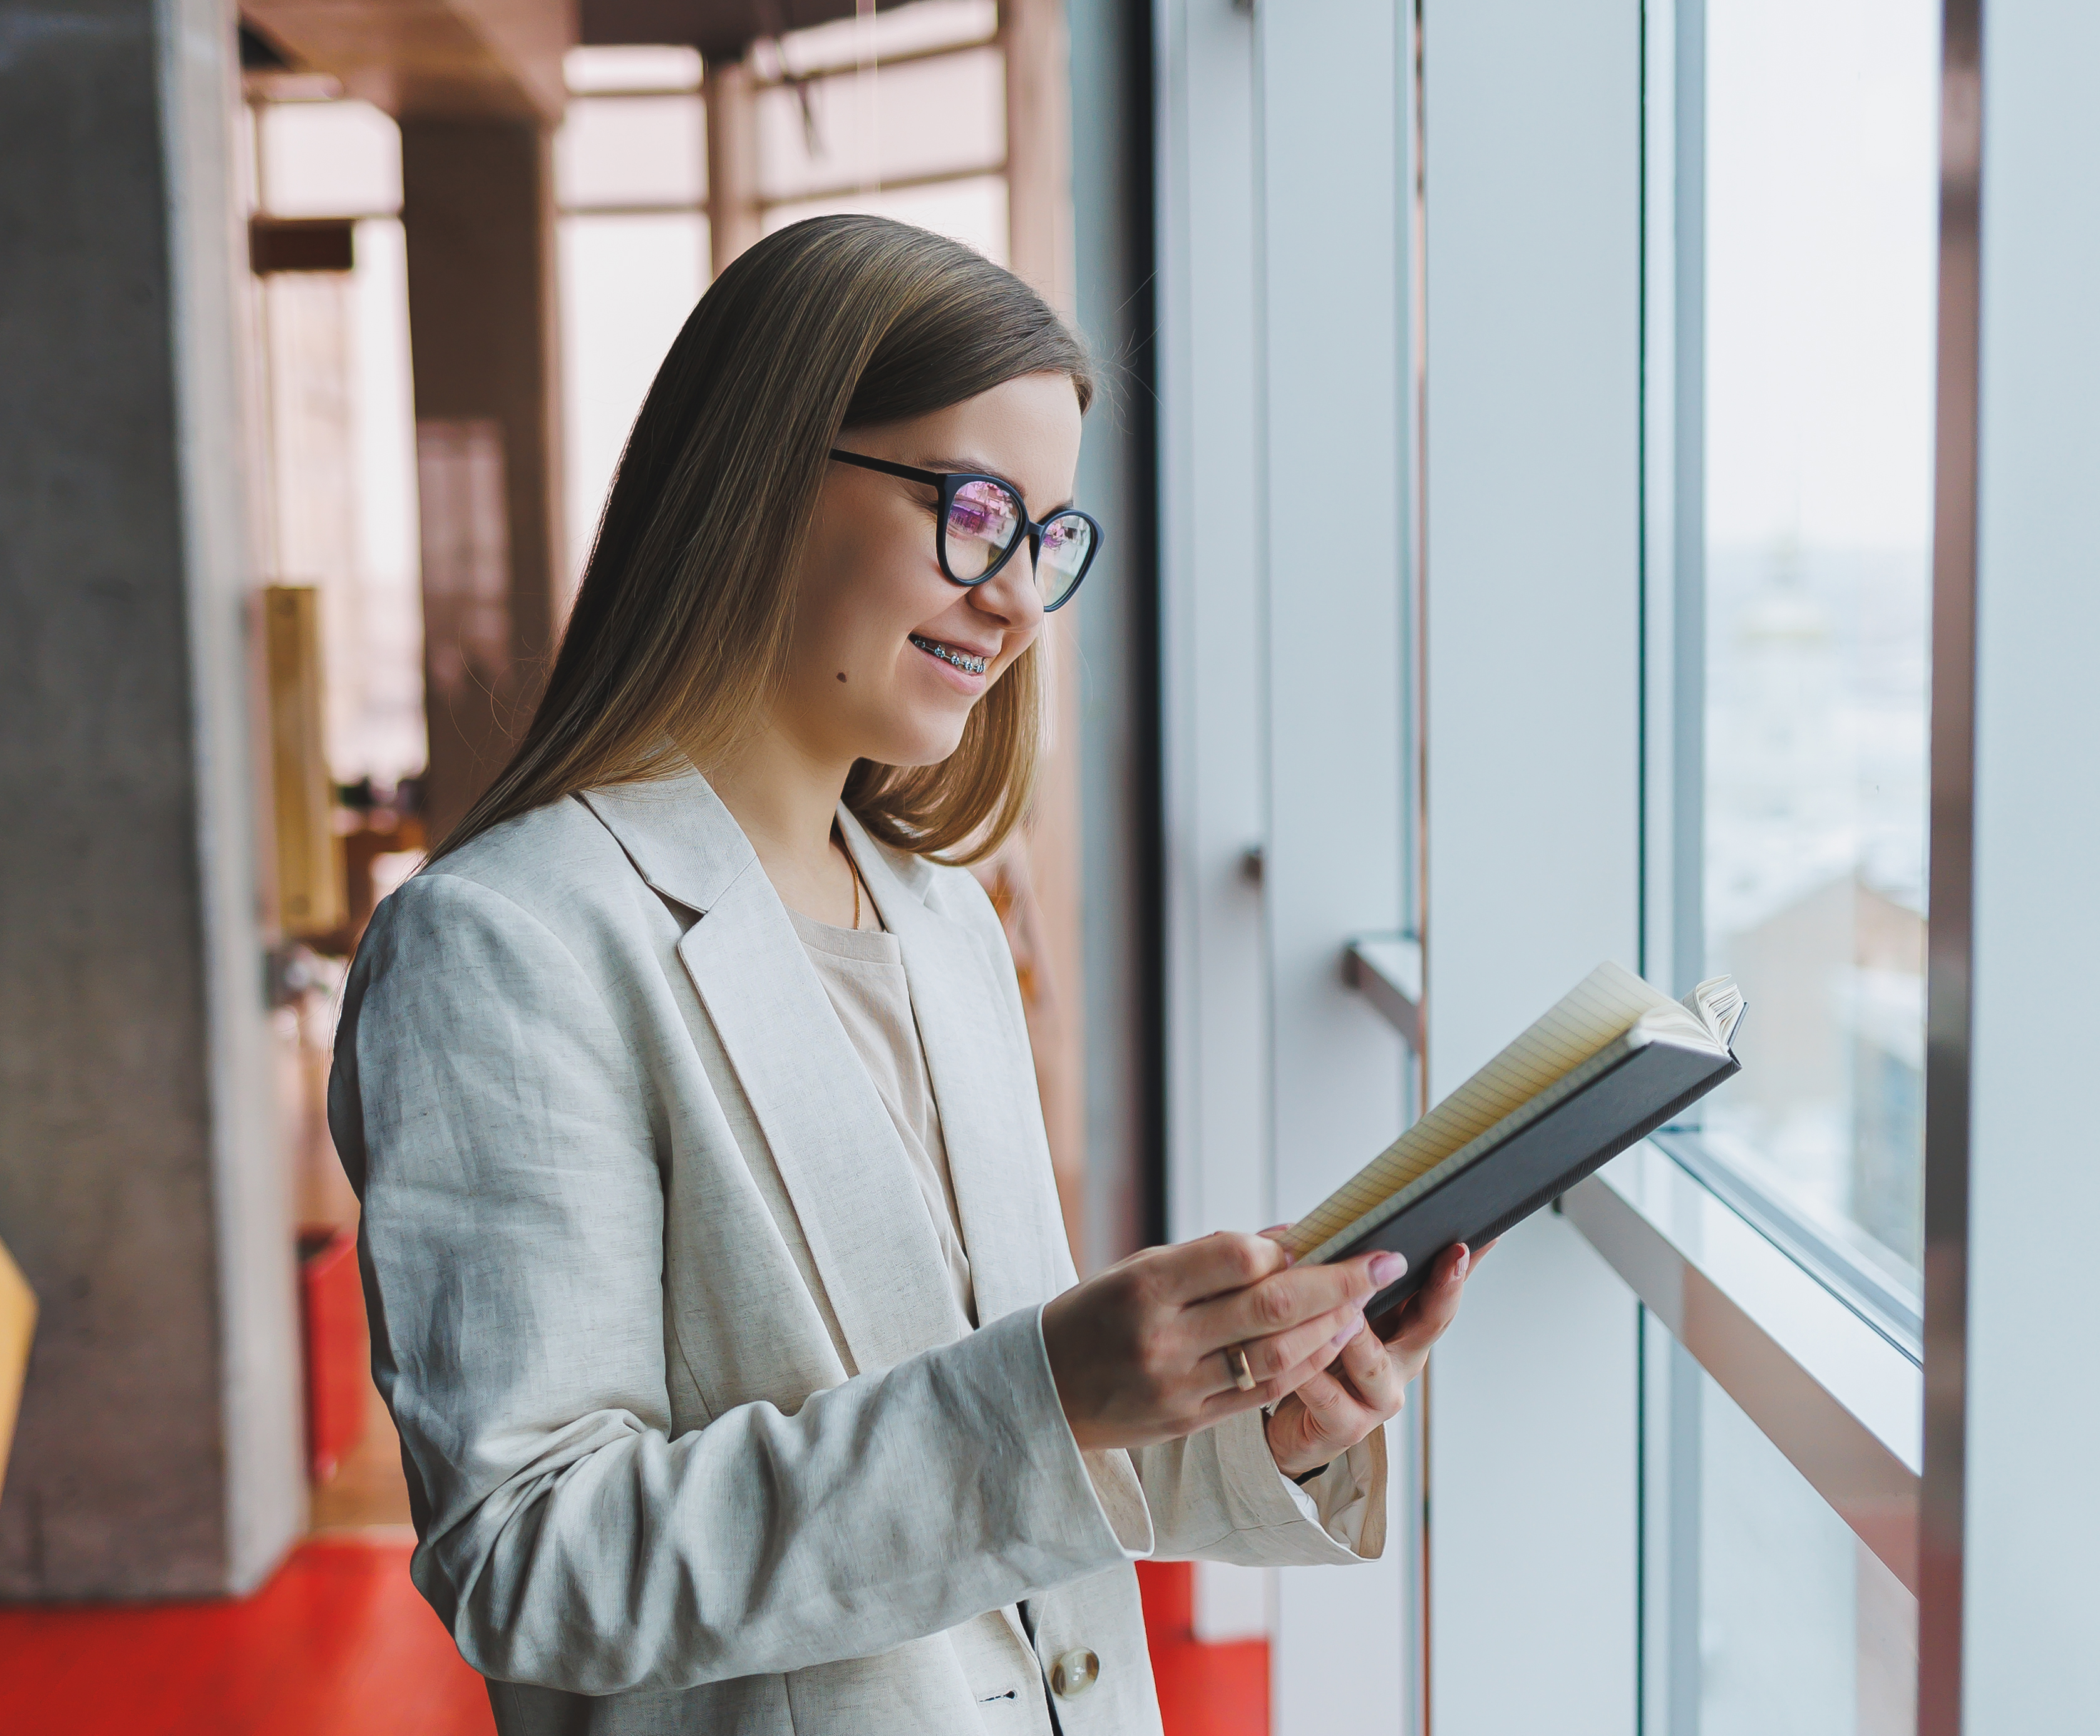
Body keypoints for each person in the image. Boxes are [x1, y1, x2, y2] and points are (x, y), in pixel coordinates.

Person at [329, 213, 1476, 1736]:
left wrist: (1254, 1419)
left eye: (1048, 537)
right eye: (977, 507)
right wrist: (1051, 1393)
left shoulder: (940, 919)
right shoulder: (506, 947)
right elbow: (539, 1562)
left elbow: (989, 1461)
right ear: (762, 471)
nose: (1013, 597)